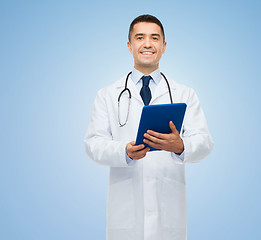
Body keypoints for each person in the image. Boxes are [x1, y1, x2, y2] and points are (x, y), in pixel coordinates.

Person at [84, 14, 214, 240]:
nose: (147, 44)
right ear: (129, 45)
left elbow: (204, 142)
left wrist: (181, 146)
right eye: (140, 37)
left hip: (168, 214)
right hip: (125, 215)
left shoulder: (184, 93)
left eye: (154, 38)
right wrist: (123, 152)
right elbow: (93, 144)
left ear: (163, 46)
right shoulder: (107, 95)